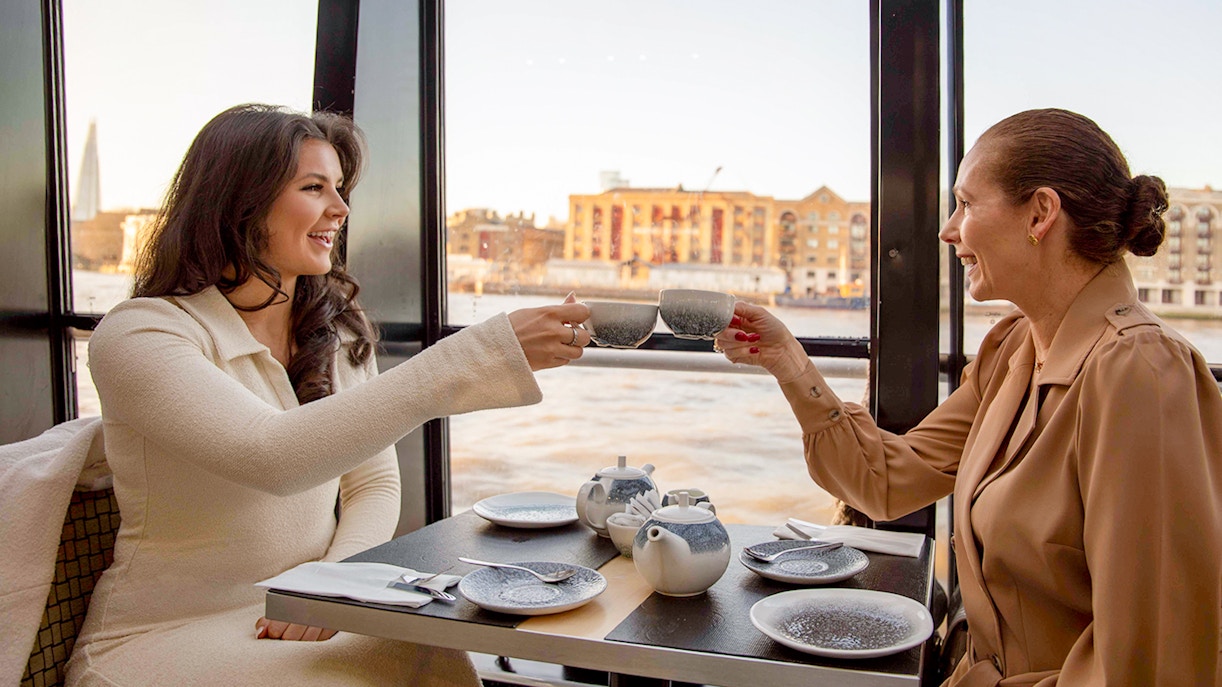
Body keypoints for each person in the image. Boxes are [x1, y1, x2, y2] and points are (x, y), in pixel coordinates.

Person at [65, 104, 591, 687]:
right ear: (239, 200)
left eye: (339, 189)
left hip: (301, 608)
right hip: (164, 635)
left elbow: (373, 482)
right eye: (314, 188)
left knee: (434, 657)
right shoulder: (141, 333)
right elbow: (273, 456)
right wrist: (476, 353)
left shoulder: (332, 328)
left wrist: (329, 585)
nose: (340, 210)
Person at [716, 108, 1222, 686]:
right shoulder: (1013, 348)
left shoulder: (1142, 371)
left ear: (1040, 213)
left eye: (965, 203)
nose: (947, 229)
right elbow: (885, 480)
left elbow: (1152, 663)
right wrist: (789, 361)